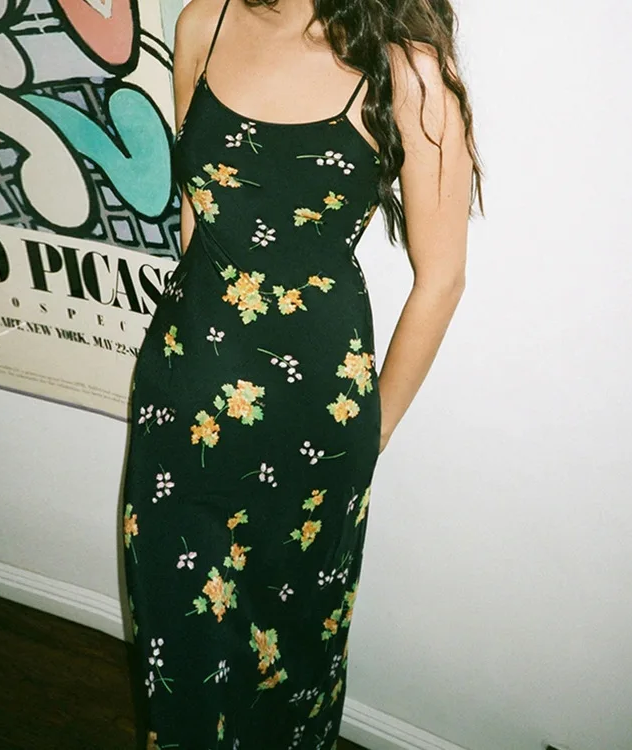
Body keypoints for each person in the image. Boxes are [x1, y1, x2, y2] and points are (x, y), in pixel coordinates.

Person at [121, 0, 481, 747]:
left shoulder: (407, 68)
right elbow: (198, 216)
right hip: (179, 404)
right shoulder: (203, 21)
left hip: (312, 424)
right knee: (177, 645)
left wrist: (373, 431)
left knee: (288, 659)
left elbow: (442, 278)